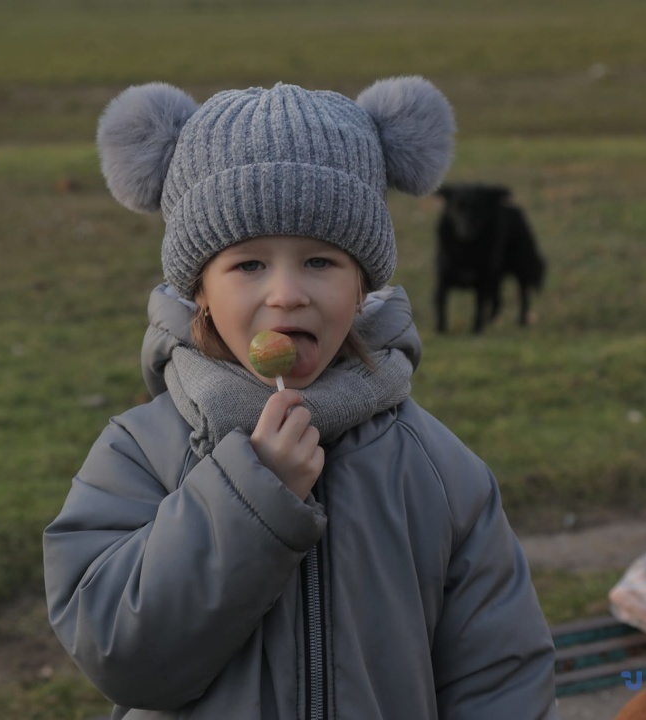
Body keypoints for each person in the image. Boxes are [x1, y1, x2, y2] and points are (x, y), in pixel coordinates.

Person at [43, 77, 558, 719]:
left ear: (363, 285)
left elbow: (501, 678)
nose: (287, 293)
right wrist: (253, 496)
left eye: (320, 262)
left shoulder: (437, 471)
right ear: (199, 290)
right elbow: (123, 655)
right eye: (249, 265)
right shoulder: (141, 454)